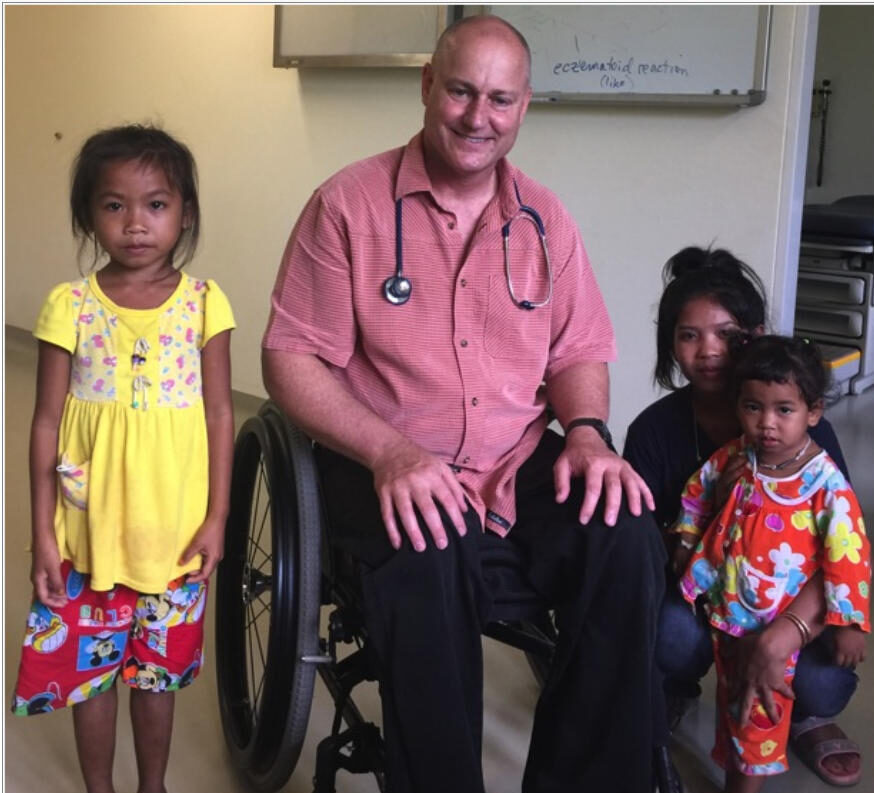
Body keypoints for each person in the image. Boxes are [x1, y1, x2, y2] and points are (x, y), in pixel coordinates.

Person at [262, 14, 667, 793]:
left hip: (516, 454)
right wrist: (390, 452)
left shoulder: (545, 219)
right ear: (426, 86)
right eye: (460, 91)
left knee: (624, 536)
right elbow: (290, 356)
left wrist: (587, 433)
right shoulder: (348, 205)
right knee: (429, 547)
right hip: (383, 453)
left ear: (524, 106)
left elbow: (579, 347)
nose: (479, 116)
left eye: (500, 99)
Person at [11, 124, 235, 793]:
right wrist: (43, 534)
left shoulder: (205, 304)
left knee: (156, 678)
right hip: (88, 536)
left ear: (185, 213)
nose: (136, 222)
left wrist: (218, 517)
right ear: (89, 215)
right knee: (90, 676)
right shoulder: (70, 306)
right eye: (114, 205)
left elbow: (221, 415)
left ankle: (152, 785)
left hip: (174, 538)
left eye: (156, 204)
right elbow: (45, 421)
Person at [623, 246, 863, 787]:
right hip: (715, 595)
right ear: (670, 344)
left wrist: (787, 633)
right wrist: (715, 513)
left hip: (792, 602)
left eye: (726, 335)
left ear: (753, 337)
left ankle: (804, 714)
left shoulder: (809, 441)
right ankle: (681, 686)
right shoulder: (656, 433)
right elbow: (651, 542)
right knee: (668, 635)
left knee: (825, 682)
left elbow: (843, 542)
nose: (709, 350)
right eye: (689, 335)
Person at [673, 334, 869, 792]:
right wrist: (685, 540)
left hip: (781, 630)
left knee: (756, 714)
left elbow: (851, 554)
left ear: (813, 412)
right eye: (752, 407)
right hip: (729, 617)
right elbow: (696, 495)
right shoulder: (736, 456)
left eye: (784, 410)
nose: (766, 424)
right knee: (734, 703)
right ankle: (735, 762)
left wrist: (849, 621)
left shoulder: (825, 484)